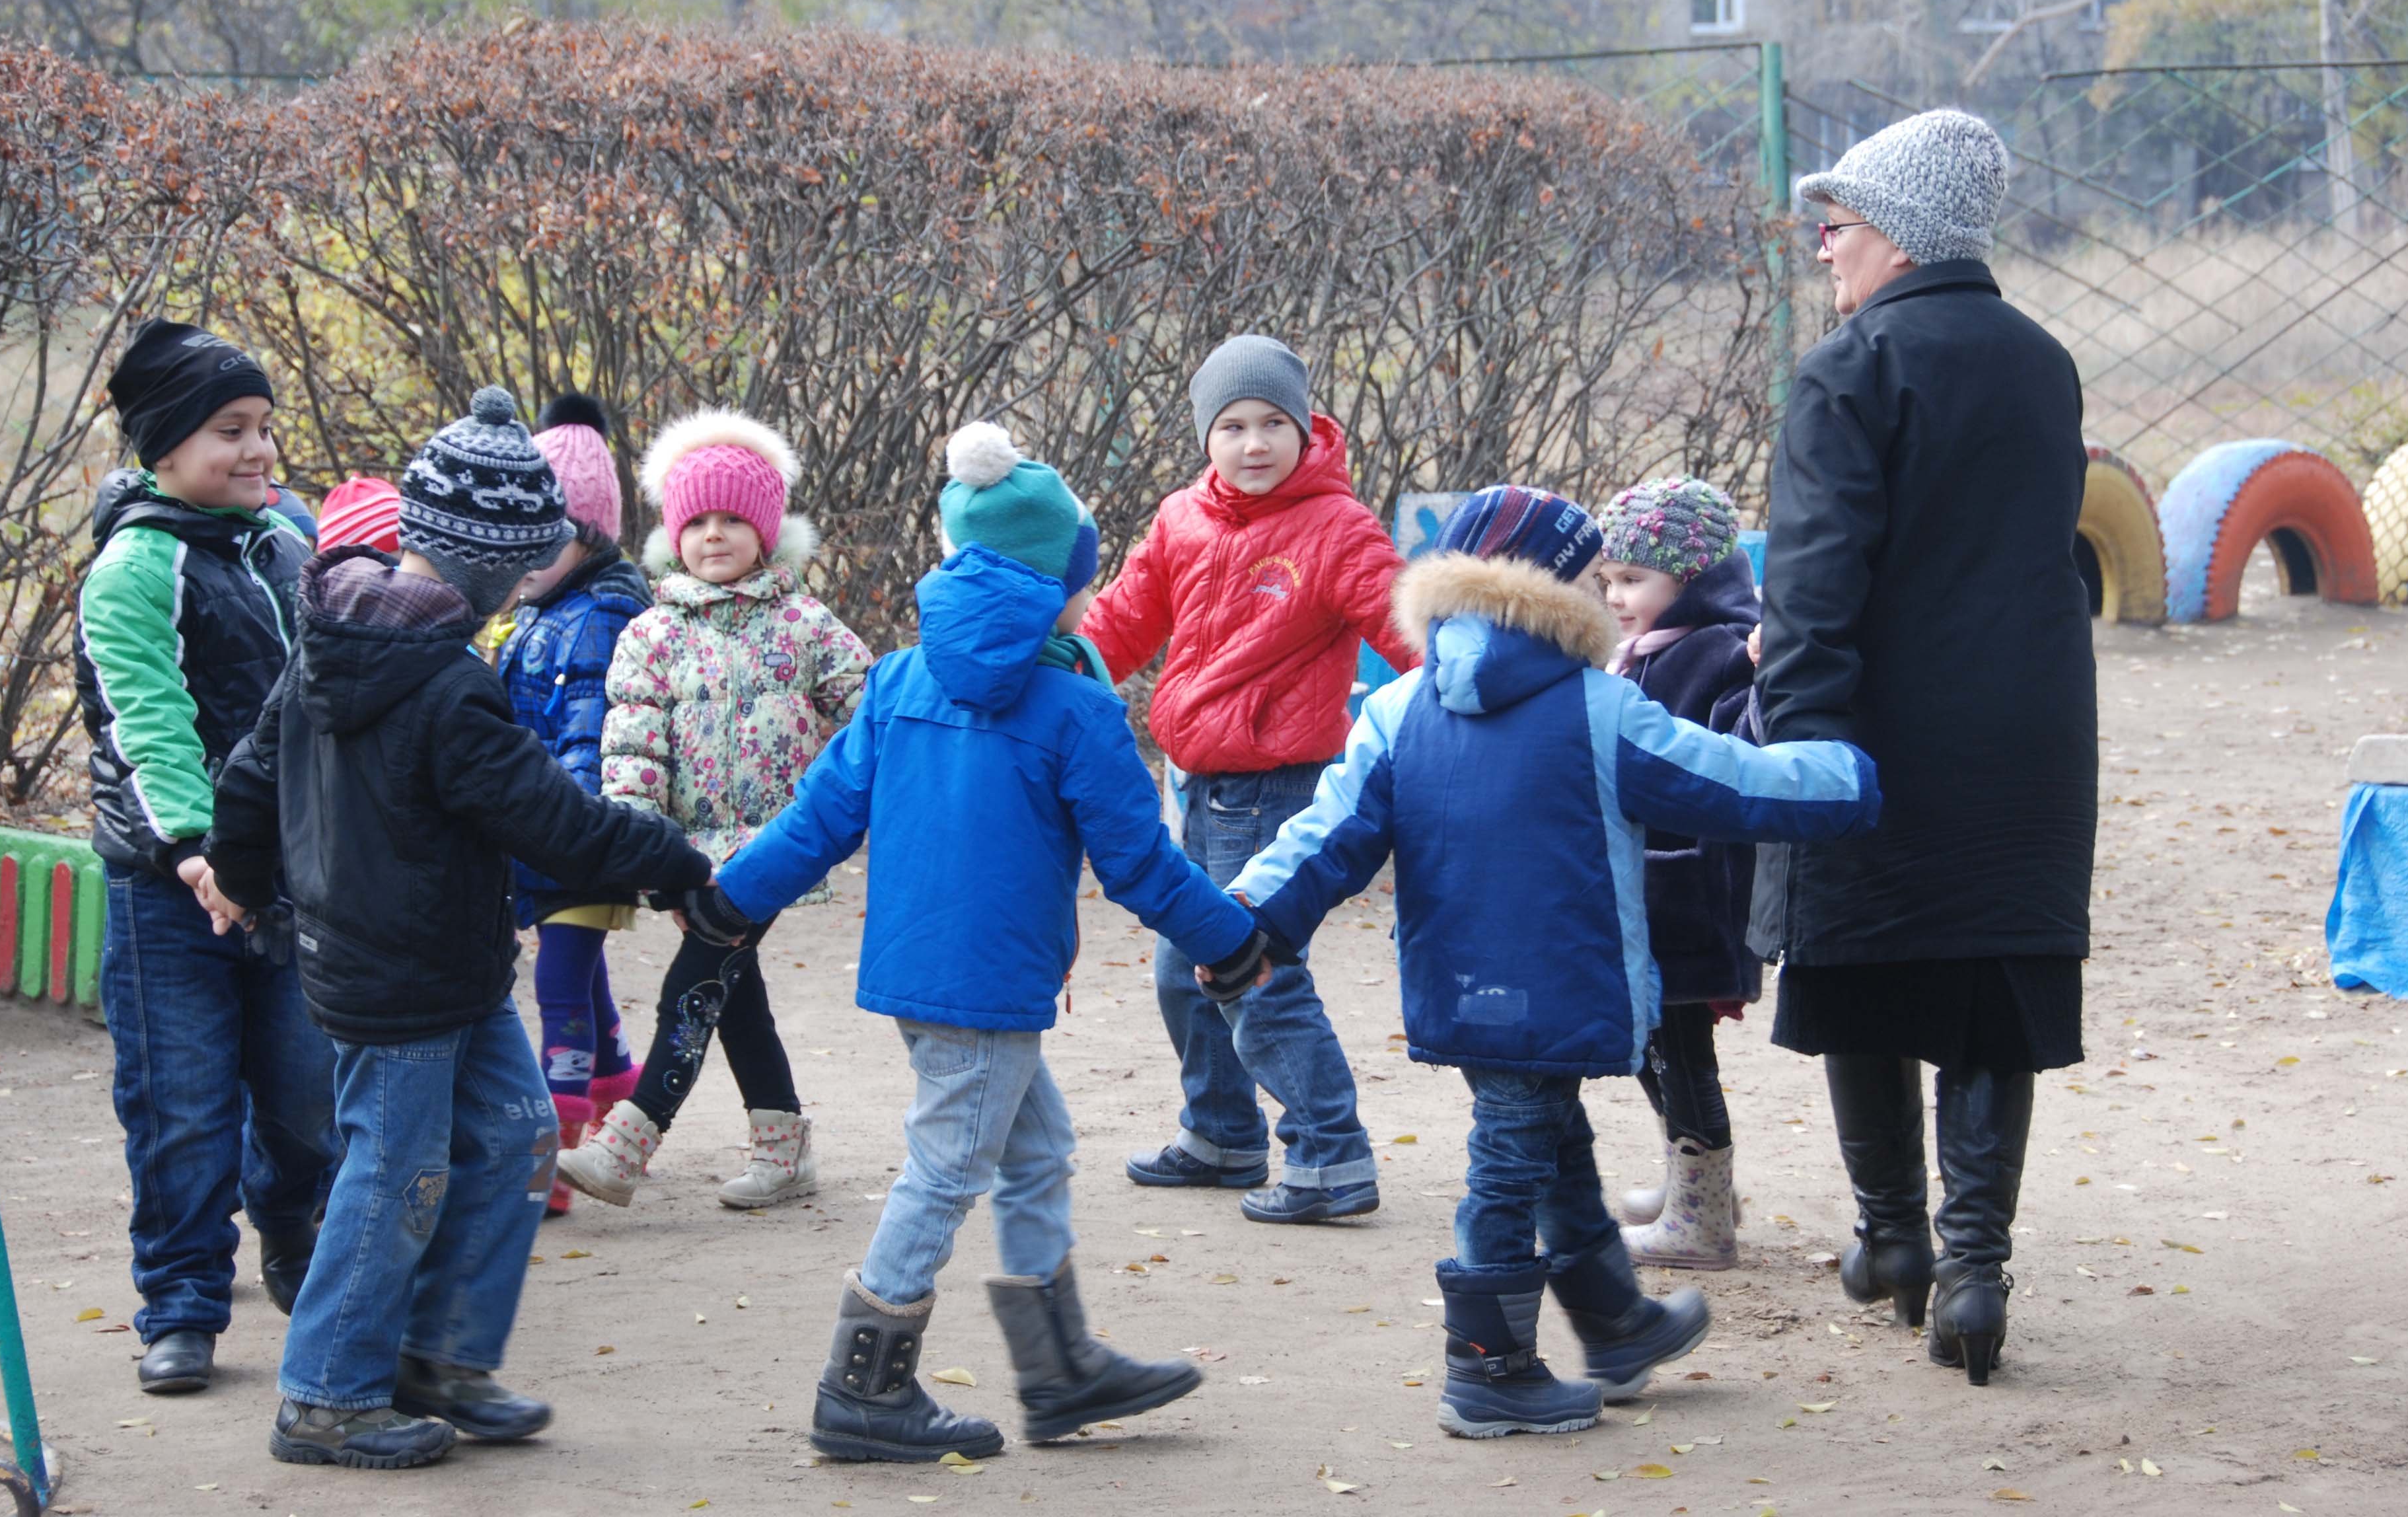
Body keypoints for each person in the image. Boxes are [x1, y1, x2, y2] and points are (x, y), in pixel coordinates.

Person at [1229, 486, 1879, 1439]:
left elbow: (1326, 840)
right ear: (1558, 592)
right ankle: (1488, 1368)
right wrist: (1852, 775)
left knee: (1552, 1145)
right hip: (1559, 979)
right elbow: (1729, 783)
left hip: (1461, 984)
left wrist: (1247, 917)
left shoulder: (1400, 707)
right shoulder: (1600, 709)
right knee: (1507, 1165)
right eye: (1592, 577)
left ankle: (1616, 1325)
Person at [710, 424, 1273, 1463]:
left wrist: (729, 901)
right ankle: (861, 1388)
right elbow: (1142, 867)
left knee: (1036, 1149)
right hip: (989, 986)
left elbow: (819, 818)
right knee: (946, 1169)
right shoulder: (1078, 706)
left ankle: (1058, 1369)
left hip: (925, 974)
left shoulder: (897, 680)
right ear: (1063, 580)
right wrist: (1232, 943)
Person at [200, 388, 711, 1470]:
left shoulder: (340, 639)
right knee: (396, 1174)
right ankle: (327, 1394)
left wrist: (244, 871)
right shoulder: (442, 685)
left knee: (521, 1133)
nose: (533, 574)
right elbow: (555, 821)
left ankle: (438, 1356)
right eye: (526, 558)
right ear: (485, 561)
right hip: (400, 985)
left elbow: (247, 780)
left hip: (445, 970)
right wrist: (675, 861)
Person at [1761, 108, 2096, 1386]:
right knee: (1991, 978)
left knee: (1862, 955)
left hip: (1880, 719)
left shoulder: (1849, 367)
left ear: (1897, 234)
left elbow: (1812, 580)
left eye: (1834, 227)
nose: (1823, 252)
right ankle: (1974, 1269)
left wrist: (1799, 741)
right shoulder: (2041, 359)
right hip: (2029, 725)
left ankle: (1890, 1239)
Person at [1084, 334, 1416, 1225]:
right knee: (1178, 974)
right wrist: (1051, 674)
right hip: (1191, 782)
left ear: (1310, 430)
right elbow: (1121, 622)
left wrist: (1473, 687)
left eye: (1276, 422)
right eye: (1233, 425)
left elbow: (1407, 629)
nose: (1255, 443)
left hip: (1276, 786)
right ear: (1207, 437)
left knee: (1250, 971)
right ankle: (1225, 1135)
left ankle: (1330, 1158)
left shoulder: (1336, 527)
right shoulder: (1181, 518)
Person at [73, 320, 338, 1398]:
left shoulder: (287, 543)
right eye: (231, 430)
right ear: (164, 445)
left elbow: (333, 695)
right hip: (167, 889)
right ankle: (180, 1303)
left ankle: (288, 1221)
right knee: (179, 1105)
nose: (259, 450)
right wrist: (194, 850)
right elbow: (144, 721)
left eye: (266, 427)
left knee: (305, 1092)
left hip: (290, 879)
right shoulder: (134, 567)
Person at [559, 410, 873, 1209]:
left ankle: (627, 1145)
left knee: (694, 983)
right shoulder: (651, 634)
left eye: (733, 518)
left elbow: (871, 713)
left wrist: (852, 795)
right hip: (687, 853)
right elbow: (630, 749)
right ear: (673, 532)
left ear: (766, 532)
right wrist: (641, 848)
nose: (713, 534)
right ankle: (785, 1149)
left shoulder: (804, 625)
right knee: (734, 992)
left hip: (777, 847)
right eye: (696, 519)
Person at [1592, 476, 1763, 1271]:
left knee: (1677, 1046)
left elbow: (1736, 757)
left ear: (1688, 580)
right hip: (1654, 885)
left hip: (1689, 890)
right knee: (1655, 1043)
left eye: (1634, 580)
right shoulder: (1651, 651)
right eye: (1608, 582)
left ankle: (1702, 1218)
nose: (1617, 598)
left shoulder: (1718, 653)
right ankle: (1696, 1184)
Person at [497, 394, 655, 1216]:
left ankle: (554, 1152)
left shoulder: (598, 618)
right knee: (580, 976)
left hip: (579, 831)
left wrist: (568, 822)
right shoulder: (541, 611)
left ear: (588, 535)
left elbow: (591, 735)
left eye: (542, 539)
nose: (523, 557)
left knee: (558, 982)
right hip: (545, 830)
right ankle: (615, 1081)